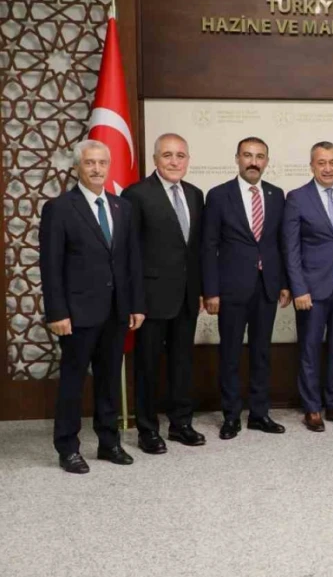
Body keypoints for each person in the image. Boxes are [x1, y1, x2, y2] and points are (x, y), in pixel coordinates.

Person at [41, 140, 145, 473]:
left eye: (102, 163)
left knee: (109, 379)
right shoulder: (59, 208)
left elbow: (130, 261)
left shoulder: (121, 207)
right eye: (90, 163)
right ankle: (67, 447)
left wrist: (135, 305)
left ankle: (108, 442)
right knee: (73, 381)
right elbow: (51, 265)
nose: (97, 169)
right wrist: (57, 312)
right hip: (77, 312)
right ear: (77, 167)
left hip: (116, 311)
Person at [122, 133, 206, 454]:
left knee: (182, 363)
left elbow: (196, 250)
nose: (174, 161)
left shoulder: (196, 195)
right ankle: (147, 430)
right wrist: (135, 301)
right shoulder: (136, 195)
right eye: (168, 155)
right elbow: (129, 252)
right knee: (148, 366)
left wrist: (199, 291)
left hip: (186, 297)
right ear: (155, 159)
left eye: (180, 155)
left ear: (188, 159)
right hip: (150, 299)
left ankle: (181, 424)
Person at [202, 136, 291, 440]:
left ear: (267, 161)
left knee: (261, 352)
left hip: (267, 287)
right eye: (248, 155)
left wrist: (284, 284)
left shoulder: (277, 195)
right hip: (231, 288)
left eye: (260, 156)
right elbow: (208, 245)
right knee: (229, 353)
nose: (254, 161)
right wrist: (210, 291)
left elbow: (281, 244)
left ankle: (259, 413)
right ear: (237, 158)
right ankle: (230, 416)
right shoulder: (218, 196)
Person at [282, 141, 333, 432]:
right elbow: (290, 248)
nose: (328, 168)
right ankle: (312, 408)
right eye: (321, 162)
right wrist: (299, 288)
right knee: (310, 349)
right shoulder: (297, 197)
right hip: (311, 290)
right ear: (312, 165)